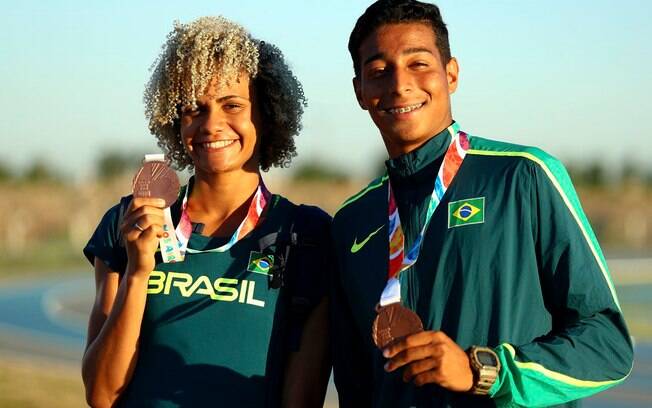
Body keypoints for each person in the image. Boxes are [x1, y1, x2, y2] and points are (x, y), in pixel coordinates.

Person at [330, 1, 633, 407]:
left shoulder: (524, 176)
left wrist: (484, 371)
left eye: (418, 63)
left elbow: (608, 345)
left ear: (450, 74)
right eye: (379, 71)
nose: (399, 84)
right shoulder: (353, 219)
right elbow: (355, 382)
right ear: (360, 91)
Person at [82, 16, 331, 407]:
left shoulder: (307, 234)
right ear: (174, 122)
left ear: (266, 114)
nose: (211, 124)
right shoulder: (131, 221)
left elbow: (303, 396)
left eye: (232, 105)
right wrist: (137, 272)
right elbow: (100, 394)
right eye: (193, 109)